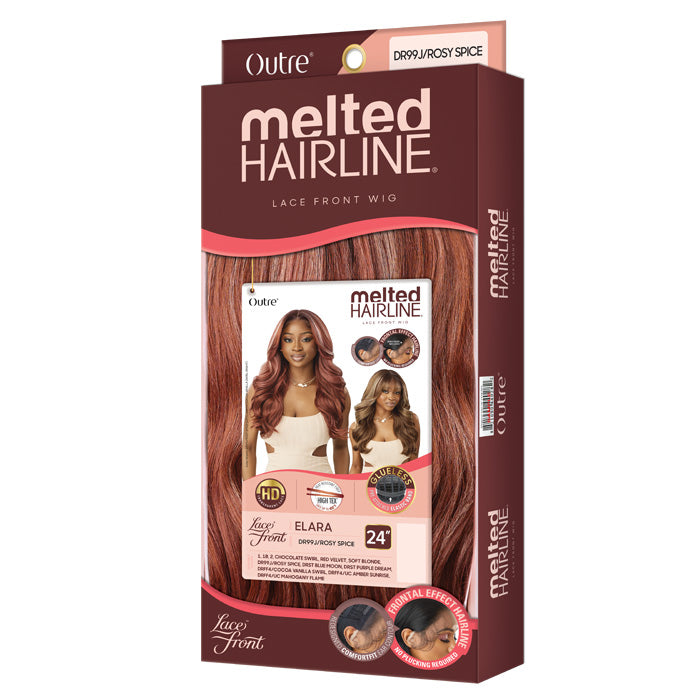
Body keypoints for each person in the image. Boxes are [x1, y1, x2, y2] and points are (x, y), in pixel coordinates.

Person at [244, 309, 350, 479]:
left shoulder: (336, 392)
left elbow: (341, 448)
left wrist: (343, 488)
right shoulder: (261, 390)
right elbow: (248, 447)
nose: (296, 347)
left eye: (306, 339)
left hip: (321, 488)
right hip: (273, 490)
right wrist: (250, 490)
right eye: (288, 340)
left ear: (319, 343)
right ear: (279, 345)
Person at [349, 370, 419, 474]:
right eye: (385, 391)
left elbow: (414, 463)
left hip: (400, 482)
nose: (391, 397)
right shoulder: (358, 426)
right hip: (367, 483)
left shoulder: (410, 421)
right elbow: (356, 466)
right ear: (374, 392)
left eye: (397, 392)